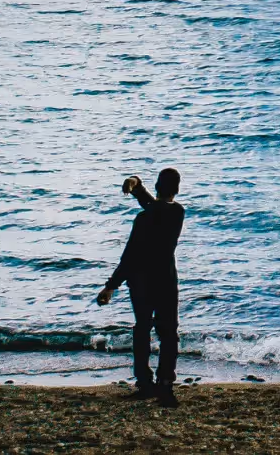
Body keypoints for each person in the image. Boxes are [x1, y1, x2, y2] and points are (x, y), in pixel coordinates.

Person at [97, 167, 184, 406]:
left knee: (142, 330)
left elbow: (130, 256)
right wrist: (137, 186)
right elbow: (155, 207)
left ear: (157, 187)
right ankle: (165, 384)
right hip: (166, 281)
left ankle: (145, 383)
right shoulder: (178, 213)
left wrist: (110, 286)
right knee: (168, 333)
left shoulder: (145, 218)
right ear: (177, 189)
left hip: (141, 281)